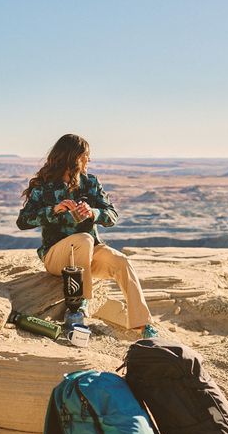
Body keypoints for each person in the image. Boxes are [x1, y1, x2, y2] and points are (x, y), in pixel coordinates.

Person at [16, 134, 157, 338]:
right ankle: (78, 310)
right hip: (57, 257)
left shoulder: (90, 183)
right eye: (85, 156)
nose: (89, 160)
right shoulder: (44, 187)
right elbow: (23, 221)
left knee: (121, 261)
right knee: (84, 239)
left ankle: (143, 326)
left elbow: (112, 215)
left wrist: (93, 212)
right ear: (72, 157)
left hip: (89, 255)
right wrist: (53, 210)